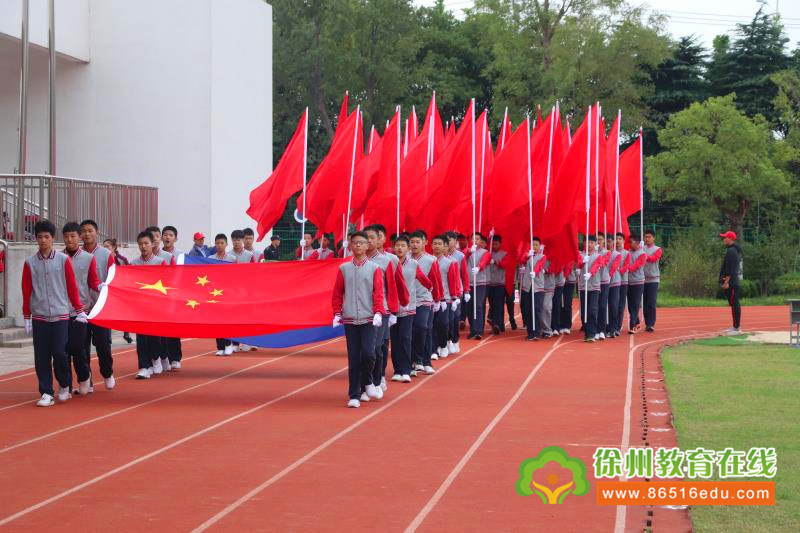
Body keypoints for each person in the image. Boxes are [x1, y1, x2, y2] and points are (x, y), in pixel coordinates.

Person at [22, 220, 88, 406]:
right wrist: (26, 315)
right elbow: (26, 290)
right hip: (40, 316)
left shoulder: (63, 260)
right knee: (41, 356)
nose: (43, 240)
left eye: (46, 237)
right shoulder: (30, 263)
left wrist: (79, 310)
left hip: (61, 315)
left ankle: (65, 384)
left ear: (52, 238)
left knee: (60, 352)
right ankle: (46, 392)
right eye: (39, 237)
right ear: (36, 239)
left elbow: (72, 286)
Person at [332, 231, 385, 408]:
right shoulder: (344, 269)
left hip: (369, 318)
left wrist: (379, 312)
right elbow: (337, 292)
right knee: (354, 357)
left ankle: (368, 381)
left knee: (369, 353)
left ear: (367, 245)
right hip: (350, 319)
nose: (358, 245)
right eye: (355, 242)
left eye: (362, 242)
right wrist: (337, 313)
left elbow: (378, 292)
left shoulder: (374, 268)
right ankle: (354, 394)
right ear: (351, 245)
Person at [364, 225, 406, 397]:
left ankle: (378, 377)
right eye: (365, 238)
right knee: (365, 350)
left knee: (378, 347)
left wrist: (394, 310)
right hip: (362, 311)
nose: (368, 241)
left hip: (382, 310)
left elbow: (395, 285)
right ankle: (365, 384)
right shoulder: (353, 260)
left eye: (373, 237)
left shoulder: (389, 260)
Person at [63, 222, 102, 396]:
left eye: (73, 236)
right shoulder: (58, 257)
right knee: (62, 351)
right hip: (61, 310)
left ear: (79, 237)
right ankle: (65, 384)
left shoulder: (88, 258)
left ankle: (84, 376)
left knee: (77, 347)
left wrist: (101, 287)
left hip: (81, 311)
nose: (69, 240)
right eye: (66, 236)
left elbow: (92, 281)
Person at [79, 220, 119, 388]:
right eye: (84, 231)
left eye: (90, 231)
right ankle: (87, 379)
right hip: (81, 308)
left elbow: (113, 278)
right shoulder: (76, 254)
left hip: (100, 307)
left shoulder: (106, 254)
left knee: (102, 343)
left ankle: (107, 373)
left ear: (97, 233)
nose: (87, 234)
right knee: (82, 347)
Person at [391, 235, 432, 382]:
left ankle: (406, 369)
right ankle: (397, 370)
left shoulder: (413, 264)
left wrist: (431, 287)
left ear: (407, 248)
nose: (400, 248)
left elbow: (422, 277)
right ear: (393, 247)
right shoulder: (390, 262)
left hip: (408, 306)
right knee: (395, 339)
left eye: (403, 245)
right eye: (397, 245)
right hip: (392, 307)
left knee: (406, 337)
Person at [131, 230, 168, 379]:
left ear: (153, 244)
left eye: (146, 243)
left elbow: (166, 283)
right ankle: (143, 367)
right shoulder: (133, 263)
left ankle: (156, 358)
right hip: (139, 306)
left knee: (154, 337)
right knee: (141, 338)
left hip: (156, 306)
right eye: (140, 244)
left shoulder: (160, 262)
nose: (143, 246)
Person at [409, 231, 442, 375]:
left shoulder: (430, 260)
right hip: (407, 301)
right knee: (410, 332)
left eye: (418, 242)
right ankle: (414, 361)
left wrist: (437, 299)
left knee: (423, 328)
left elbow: (435, 280)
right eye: (412, 242)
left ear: (424, 243)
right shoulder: (404, 258)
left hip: (424, 299)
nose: (415, 245)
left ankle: (426, 361)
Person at [432, 235, 461, 358]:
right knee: (432, 324)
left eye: (440, 244)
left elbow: (452, 281)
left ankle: (444, 345)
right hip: (432, 298)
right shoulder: (429, 260)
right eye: (435, 244)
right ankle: (434, 348)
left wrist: (454, 297)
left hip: (446, 298)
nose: (437, 246)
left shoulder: (450, 263)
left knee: (443, 323)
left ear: (445, 246)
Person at [209, 234, 237, 355]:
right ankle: (220, 347)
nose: (219, 245)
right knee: (216, 320)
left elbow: (236, 275)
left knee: (227, 319)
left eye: (222, 243)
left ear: (226, 244)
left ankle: (228, 343)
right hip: (214, 293)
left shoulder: (232, 258)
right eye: (217, 243)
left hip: (228, 292)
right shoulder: (210, 258)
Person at [103, 238, 133, 344]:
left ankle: (126, 333)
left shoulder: (122, 260)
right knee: (108, 313)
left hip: (121, 290)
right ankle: (107, 336)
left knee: (124, 313)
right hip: (107, 290)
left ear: (114, 247)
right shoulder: (102, 258)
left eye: (107, 247)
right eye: (104, 247)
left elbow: (129, 273)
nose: (105, 249)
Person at [578, 236, 604, 342]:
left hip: (594, 286)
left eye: (592, 243)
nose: (589, 245)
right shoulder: (581, 255)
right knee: (584, 311)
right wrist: (583, 262)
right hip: (583, 286)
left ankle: (591, 333)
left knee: (592, 310)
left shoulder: (598, 256)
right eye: (587, 242)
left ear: (595, 244)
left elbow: (597, 265)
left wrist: (590, 273)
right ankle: (587, 331)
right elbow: (578, 265)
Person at [521, 238, 546, 340]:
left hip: (538, 286)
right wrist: (527, 255)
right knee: (528, 310)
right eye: (533, 245)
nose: (534, 247)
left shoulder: (542, 256)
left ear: (539, 246)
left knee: (536, 309)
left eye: (536, 245)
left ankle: (537, 331)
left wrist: (534, 272)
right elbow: (521, 260)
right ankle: (530, 332)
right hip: (527, 286)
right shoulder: (527, 255)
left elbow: (540, 265)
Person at [465, 233, 489, 339]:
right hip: (468, 283)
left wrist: (479, 267)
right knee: (469, 307)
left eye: (478, 239)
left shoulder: (485, 252)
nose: (476, 240)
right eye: (474, 238)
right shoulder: (467, 251)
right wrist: (470, 251)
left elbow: (485, 260)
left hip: (480, 283)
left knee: (478, 306)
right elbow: (463, 258)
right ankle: (473, 329)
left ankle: (478, 330)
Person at [719, 231, 743, 334]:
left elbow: (731, 268)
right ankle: (735, 326)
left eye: (725, 237)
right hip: (732, 281)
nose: (724, 239)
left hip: (731, 282)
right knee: (734, 304)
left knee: (735, 304)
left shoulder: (731, 251)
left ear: (730, 239)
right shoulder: (732, 250)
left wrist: (726, 282)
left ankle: (736, 328)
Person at [487, 235, 510, 334]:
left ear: (500, 244)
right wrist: (489, 238)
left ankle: (498, 325)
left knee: (499, 304)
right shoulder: (488, 253)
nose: (494, 246)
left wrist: (495, 262)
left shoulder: (504, 254)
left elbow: (505, 264)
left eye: (496, 244)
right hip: (490, 282)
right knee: (492, 305)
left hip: (500, 283)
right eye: (493, 244)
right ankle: (496, 324)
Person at [642, 230, 662, 332]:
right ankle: (647, 323)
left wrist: (644, 256)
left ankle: (651, 324)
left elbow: (654, 259)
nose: (647, 239)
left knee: (651, 302)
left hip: (653, 279)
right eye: (645, 237)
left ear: (653, 238)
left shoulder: (657, 249)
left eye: (649, 237)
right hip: (643, 279)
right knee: (645, 303)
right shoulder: (642, 248)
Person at [626, 236, 647, 334]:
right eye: (629, 242)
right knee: (630, 304)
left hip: (638, 282)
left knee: (635, 303)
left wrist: (624, 268)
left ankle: (632, 325)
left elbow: (634, 267)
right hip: (628, 281)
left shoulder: (642, 254)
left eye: (631, 242)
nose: (630, 244)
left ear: (637, 242)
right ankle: (637, 322)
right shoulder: (628, 252)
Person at [613, 233, 629, 337]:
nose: (617, 241)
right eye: (616, 239)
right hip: (613, 282)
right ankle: (612, 325)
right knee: (613, 304)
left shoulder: (626, 253)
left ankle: (618, 326)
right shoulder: (611, 252)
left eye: (619, 239)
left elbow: (626, 266)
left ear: (623, 241)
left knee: (620, 304)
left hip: (623, 282)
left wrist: (618, 271)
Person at [596, 234, 611, 340]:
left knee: (602, 305)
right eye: (596, 240)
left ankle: (602, 330)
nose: (598, 241)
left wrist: (596, 255)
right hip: (594, 282)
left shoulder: (607, 252)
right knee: (594, 307)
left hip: (604, 281)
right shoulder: (590, 252)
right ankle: (595, 329)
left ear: (604, 241)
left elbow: (603, 263)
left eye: (600, 239)